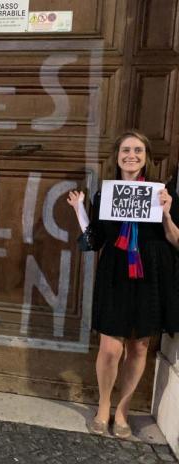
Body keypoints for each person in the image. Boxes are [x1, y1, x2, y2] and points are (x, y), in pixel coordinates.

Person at [67, 130, 179, 438]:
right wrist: (79, 209)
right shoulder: (106, 195)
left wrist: (167, 213)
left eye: (138, 150)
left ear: (146, 157)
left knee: (139, 347)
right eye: (126, 150)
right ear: (117, 157)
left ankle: (123, 411)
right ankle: (103, 406)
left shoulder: (162, 192)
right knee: (110, 348)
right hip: (115, 272)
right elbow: (96, 239)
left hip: (150, 273)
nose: (132, 155)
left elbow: (176, 239)